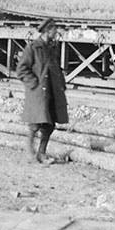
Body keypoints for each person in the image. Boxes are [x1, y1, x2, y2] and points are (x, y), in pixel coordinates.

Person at [16, 18, 69, 164]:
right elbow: (21, 70)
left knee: (50, 125)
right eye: (54, 30)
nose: (56, 32)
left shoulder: (51, 48)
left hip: (52, 91)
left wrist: (61, 84)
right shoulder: (33, 48)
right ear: (47, 31)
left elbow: (56, 68)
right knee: (35, 125)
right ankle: (30, 153)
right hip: (39, 93)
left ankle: (42, 153)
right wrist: (34, 84)